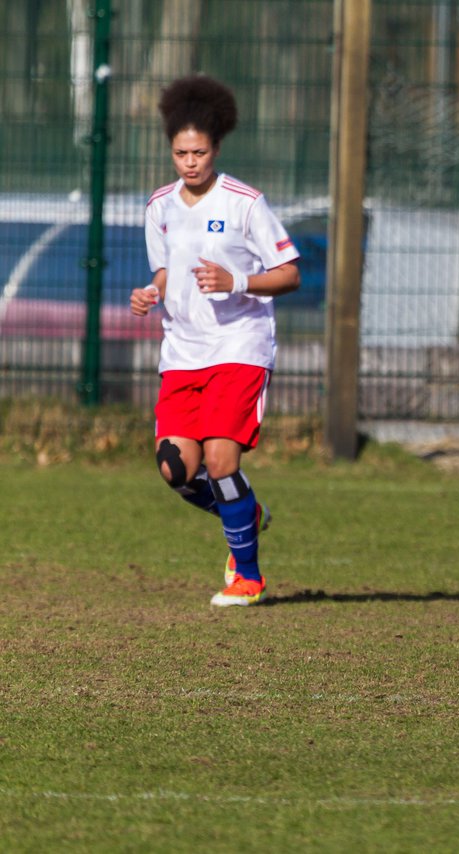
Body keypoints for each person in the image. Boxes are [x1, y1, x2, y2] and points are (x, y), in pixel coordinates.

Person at [129, 75, 300, 607]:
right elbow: (164, 270)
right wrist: (150, 292)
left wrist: (236, 281)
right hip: (182, 351)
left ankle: (247, 577)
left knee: (222, 462)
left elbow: (290, 272)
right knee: (175, 470)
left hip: (239, 345)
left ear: (217, 147)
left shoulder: (246, 203)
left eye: (199, 151)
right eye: (180, 152)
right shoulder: (159, 206)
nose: (190, 162)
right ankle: (245, 512)